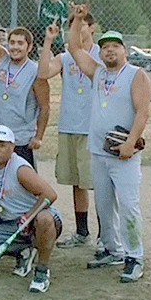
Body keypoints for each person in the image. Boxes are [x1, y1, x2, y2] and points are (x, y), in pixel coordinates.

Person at [68, 1, 151, 283]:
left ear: (124, 50)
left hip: (124, 153)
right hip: (99, 152)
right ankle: (113, 250)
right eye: (104, 46)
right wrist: (78, 20)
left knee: (128, 205)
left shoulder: (135, 74)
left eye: (115, 46)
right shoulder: (99, 72)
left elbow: (142, 112)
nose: (109, 50)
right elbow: (74, 49)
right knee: (104, 206)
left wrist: (131, 142)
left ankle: (134, 257)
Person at [0, 125, 61, 293]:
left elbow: (50, 195)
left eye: (2, 145)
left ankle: (42, 271)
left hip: (36, 220)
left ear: (12, 147)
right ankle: (23, 251)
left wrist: (29, 216)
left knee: (44, 219)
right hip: (12, 224)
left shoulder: (20, 169)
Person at [38, 14, 103, 252]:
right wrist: (47, 41)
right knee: (77, 182)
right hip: (69, 125)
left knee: (98, 184)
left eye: (81, 24)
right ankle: (82, 232)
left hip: (92, 128)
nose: (76, 29)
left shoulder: (99, 54)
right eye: (72, 26)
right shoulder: (65, 57)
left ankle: (104, 236)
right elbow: (44, 72)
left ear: (92, 28)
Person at [0, 2, 50, 169]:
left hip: (20, 139)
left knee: (22, 185)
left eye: (20, 43)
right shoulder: (1, 58)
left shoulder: (36, 72)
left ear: (29, 47)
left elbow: (45, 107)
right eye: (12, 42)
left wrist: (38, 136)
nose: (15, 47)